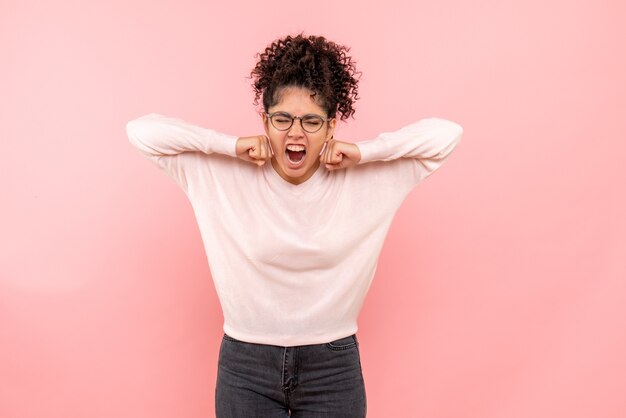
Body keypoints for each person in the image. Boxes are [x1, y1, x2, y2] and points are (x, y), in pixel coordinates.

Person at [126, 33, 463, 418]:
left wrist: (366, 152)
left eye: (312, 121)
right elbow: (142, 132)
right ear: (265, 122)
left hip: (332, 368)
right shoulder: (220, 175)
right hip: (245, 364)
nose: (296, 133)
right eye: (282, 119)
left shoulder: (369, 179)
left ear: (332, 127)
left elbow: (447, 135)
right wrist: (230, 145)